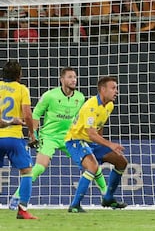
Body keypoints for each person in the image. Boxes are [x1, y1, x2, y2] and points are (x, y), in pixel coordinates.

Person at [9, 67, 108, 211]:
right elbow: (36, 114)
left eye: (75, 77)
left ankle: (106, 194)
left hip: (70, 137)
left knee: (92, 164)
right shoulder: (50, 95)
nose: (73, 80)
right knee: (40, 167)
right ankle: (17, 196)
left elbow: (84, 117)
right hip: (49, 137)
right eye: (69, 77)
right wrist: (33, 134)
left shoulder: (80, 97)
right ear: (62, 80)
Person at [64, 76, 128, 212]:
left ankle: (108, 198)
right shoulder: (90, 106)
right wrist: (110, 145)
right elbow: (91, 133)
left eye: (116, 88)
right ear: (103, 90)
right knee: (92, 167)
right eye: (113, 88)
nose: (116, 91)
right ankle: (74, 205)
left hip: (91, 141)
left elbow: (99, 127)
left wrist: (103, 146)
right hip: (75, 140)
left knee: (121, 162)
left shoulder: (109, 105)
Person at [0, 60, 38, 219]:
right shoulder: (22, 89)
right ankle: (22, 210)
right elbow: (28, 115)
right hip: (14, 138)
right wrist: (31, 133)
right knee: (27, 171)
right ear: (19, 75)